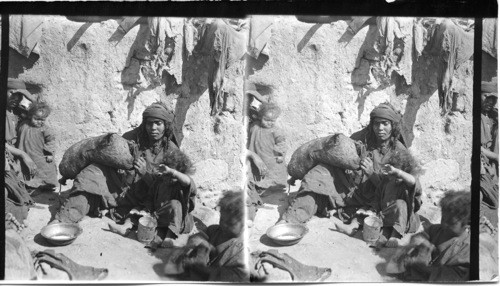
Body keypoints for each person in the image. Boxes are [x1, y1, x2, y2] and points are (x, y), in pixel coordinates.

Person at [280, 102, 422, 248]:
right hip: (351, 188)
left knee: (385, 204)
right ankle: (294, 218)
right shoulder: (362, 138)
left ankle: (354, 221)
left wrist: (372, 174)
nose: (380, 128)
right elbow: (343, 154)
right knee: (320, 174)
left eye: (385, 124)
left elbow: (395, 190)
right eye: (376, 124)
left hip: (375, 197)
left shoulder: (399, 151)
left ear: (393, 126)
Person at [53, 102, 179, 224]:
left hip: (145, 196)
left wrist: (145, 174)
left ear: (166, 125)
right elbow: (114, 156)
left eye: (158, 123)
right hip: (120, 187)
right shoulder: (134, 136)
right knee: (91, 174)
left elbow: (168, 190)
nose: (153, 128)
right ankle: (64, 219)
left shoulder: (171, 151)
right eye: (149, 123)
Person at [108, 147, 197, 247]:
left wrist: (172, 172)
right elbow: (150, 198)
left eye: (171, 175)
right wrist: (146, 210)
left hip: (177, 220)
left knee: (174, 205)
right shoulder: (160, 181)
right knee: (136, 209)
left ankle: (170, 237)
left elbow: (187, 181)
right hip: (157, 215)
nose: (167, 178)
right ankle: (125, 227)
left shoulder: (182, 185)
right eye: (165, 174)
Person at [165, 189, 248, 281]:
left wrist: (206, 271)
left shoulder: (241, 251)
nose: (223, 224)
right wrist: (196, 240)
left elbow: (233, 276)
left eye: (229, 223)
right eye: (221, 219)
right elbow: (197, 238)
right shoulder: (214, 230)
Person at [401, 191, 470, 282]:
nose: (444, 224)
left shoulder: (466, 248)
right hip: (419, 272)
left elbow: (456, 275)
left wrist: (426, 269)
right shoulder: (435, 229)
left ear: (467, 224)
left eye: (451, 222)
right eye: (443, 218)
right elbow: (417, 237)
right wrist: (421, 241)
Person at [16, 101, 58, 191]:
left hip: (39, 155)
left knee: (43, 170)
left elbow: (50, 141)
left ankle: (46, 185)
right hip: (25, 152)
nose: (39, 122)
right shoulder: (23, 125)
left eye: (42, 119)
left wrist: (49, 153)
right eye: (36, 118)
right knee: (26, 170)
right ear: (30, 116)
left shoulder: (45, 129)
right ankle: (30, 185)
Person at [247, 102, 287, 194]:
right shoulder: (254, 126)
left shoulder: (276, 131)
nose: (270, 123)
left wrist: (280, 154)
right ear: (260, 117)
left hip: (271, 157)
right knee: (257, 171)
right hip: (257, 153)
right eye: (266, 120)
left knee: (272, 173)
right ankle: (259, 185)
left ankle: (271, 187)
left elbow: (281, 143)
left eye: (272, 121)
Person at [5, 78, 38, 181]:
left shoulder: (17, 112)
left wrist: (29, 97)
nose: (15, 98)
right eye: (12, 93)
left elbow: (38, 112)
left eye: (19, 95)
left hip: (16, 152)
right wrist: (23, 154)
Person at [479, 82, 498, 227]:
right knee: (492, 199)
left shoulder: (492, 118)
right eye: (486, 97)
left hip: (491, 163)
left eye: (493, 100)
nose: (489, 102)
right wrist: (496, 157)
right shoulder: (477, 117)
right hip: (483, 161)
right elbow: (479, 148)